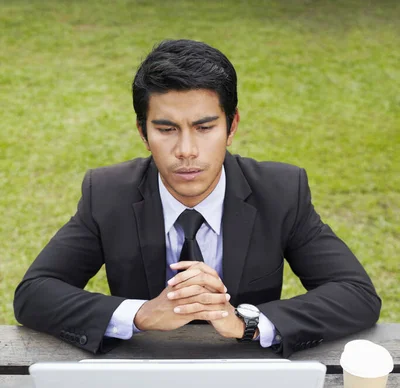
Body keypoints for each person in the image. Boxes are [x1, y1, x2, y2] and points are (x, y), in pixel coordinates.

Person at [13, 39, 381, 357]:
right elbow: (35, 293)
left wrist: (245, 322)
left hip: (247, 374)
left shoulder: (281, 191)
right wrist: (141, 314)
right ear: (143, 131)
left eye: (204, 128)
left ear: (231, 126)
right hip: (143, 374)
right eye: (166, 129)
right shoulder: (107, 193)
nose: (186, 150)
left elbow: (355, 294)